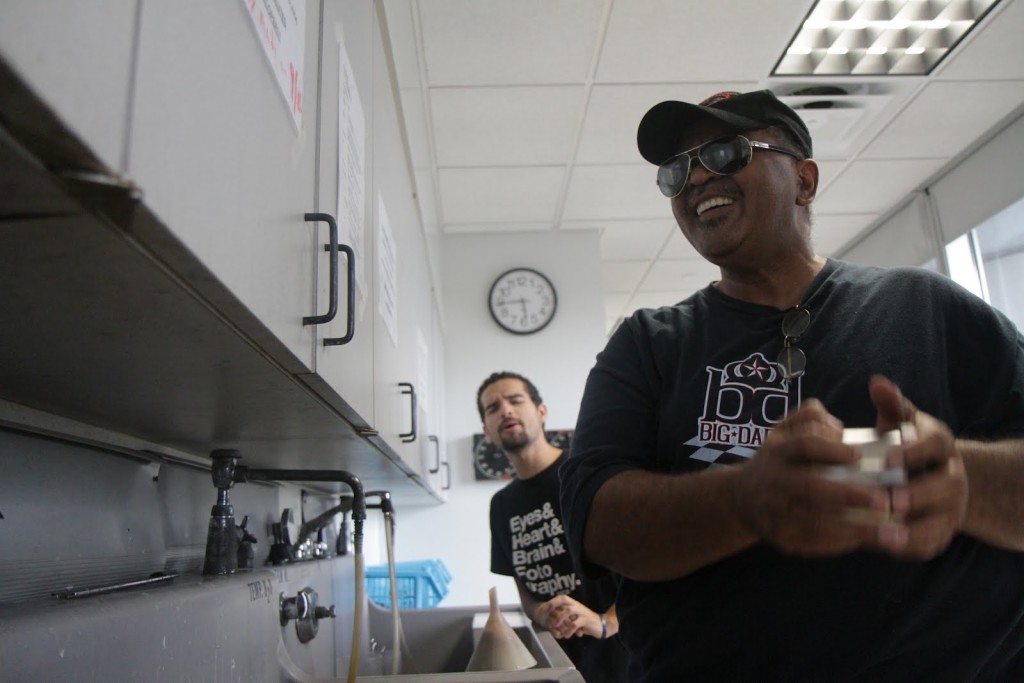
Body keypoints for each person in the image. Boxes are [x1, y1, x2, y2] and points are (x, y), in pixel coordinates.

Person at [558, 89, 1024, 681]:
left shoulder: (928, 309)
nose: (697, 176)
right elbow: (594, 520)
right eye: (677, 171)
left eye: (725, 152)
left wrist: (962, 479)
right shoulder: (647, 345)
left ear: (804, 181)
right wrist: (746, 499)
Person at [477, 371, 630, 682]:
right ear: (487, 431)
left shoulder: (586, 474)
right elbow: (525, 592)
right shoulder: (501, 506)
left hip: (625, 660)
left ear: (542, 412)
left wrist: (605, 622)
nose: (505, 410)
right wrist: (540, 612)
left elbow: (645, 567)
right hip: (559, 665)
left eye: (516, 400)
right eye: (493, 408)